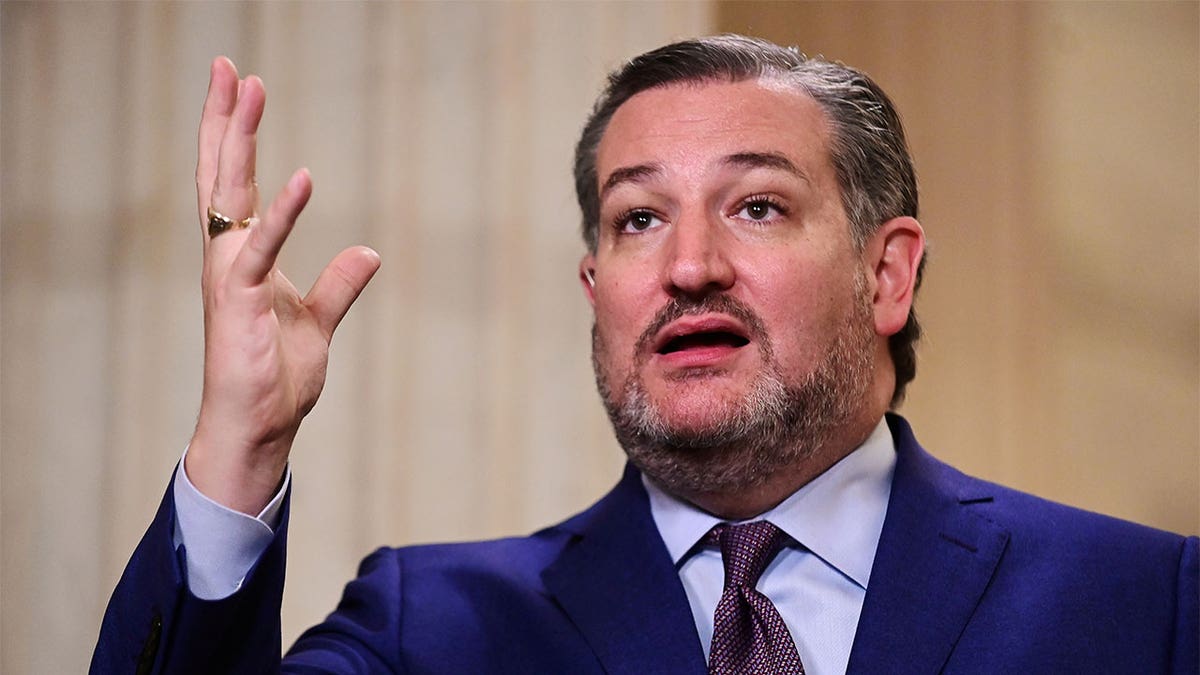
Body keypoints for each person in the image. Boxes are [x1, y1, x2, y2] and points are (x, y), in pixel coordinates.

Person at [92, 35, 1197, 674]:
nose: (688, 267)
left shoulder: (1147, 604)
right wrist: (239, 443)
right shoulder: (432, 628)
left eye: (757, 205)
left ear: (887, 274)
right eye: (637, 219)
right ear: (596, 294)